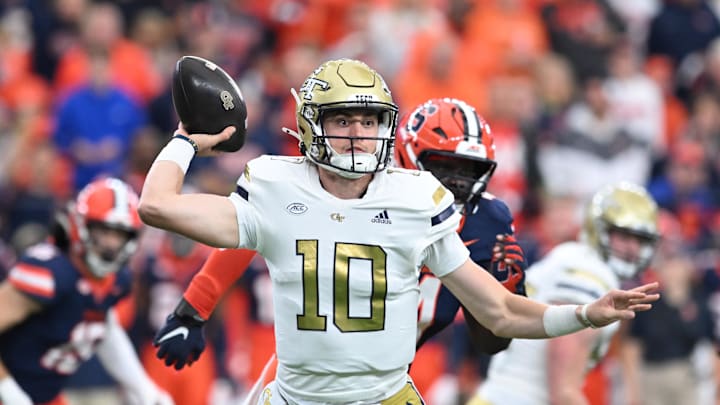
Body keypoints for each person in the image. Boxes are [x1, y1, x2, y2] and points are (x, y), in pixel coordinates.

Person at [138, 58, 659, 404]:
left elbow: (495, 316)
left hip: (388, 390)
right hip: (301, 387)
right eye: (342, 120)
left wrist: (584, 314)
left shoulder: (423, 202)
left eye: (368, 122)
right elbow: (173, 212)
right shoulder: (280, 185)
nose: (358, 135)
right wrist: (186, 140)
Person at [151, 97, 528, 398]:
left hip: (391, 378)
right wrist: (193, 309)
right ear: (408, 155)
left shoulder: (486, 219)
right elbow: (251, 227)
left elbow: (493, 339)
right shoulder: (349, 187)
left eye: (471, 171)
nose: (458, 183)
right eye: (446, 166)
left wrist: (504, 285)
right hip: (316, 368)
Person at [469, 181, 661, 405]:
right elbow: (563, 392)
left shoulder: (571, 256)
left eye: (640, 240)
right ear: (598, 229)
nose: (632, 249)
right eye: (624, 236)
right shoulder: (590, 274)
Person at [0, 177, 173, 405]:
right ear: (81, 226)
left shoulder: (116, 281)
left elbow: (103, 329)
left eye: (120, 235)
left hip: (43, 396)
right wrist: (10, 392)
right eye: (104, 231)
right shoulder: (52, 272)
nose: (111, 244)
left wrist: (142, 387)